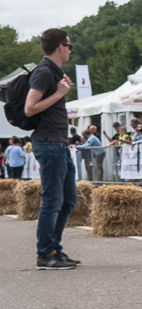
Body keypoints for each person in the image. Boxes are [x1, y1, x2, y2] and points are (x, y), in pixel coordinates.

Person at [24, 28, 79, 269]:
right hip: (49, 144)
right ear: (59, 47)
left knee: (68, 200)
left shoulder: (54, 71)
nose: (70, 50)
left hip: (58, 144)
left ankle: (54, 249)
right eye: (69, 46)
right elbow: (29, 108)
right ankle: (45, 254)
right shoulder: (44, 72)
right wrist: (59, 93)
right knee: (52, 200)